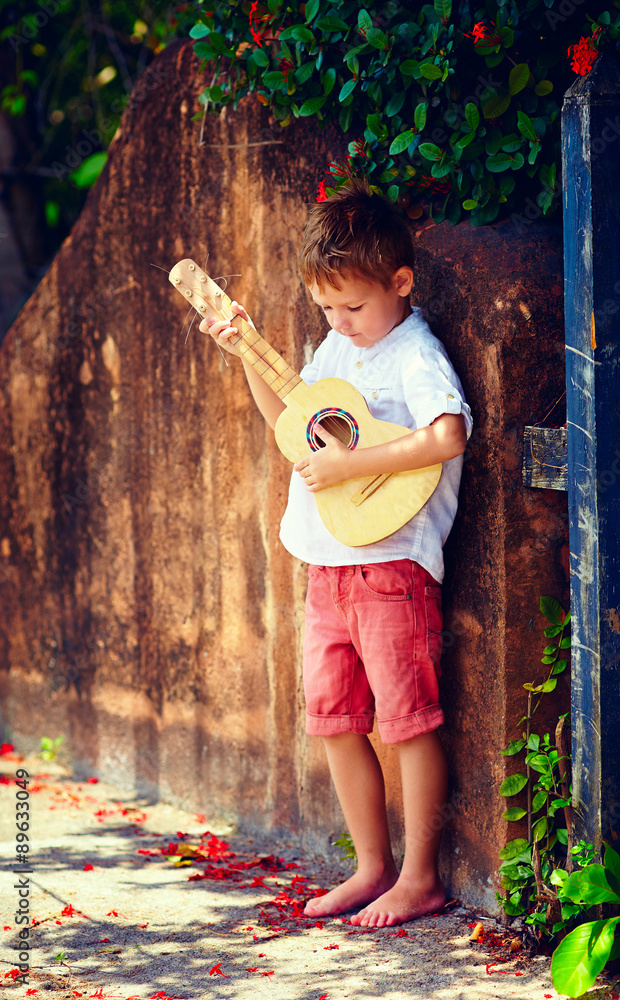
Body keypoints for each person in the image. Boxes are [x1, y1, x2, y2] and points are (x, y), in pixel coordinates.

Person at [200, 179, 472, 927]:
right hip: (329, 564)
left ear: (400, 284)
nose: (340, 323)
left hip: (393, 566)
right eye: (326, 309)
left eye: (353, 307)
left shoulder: (414, 353)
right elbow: (293, 423)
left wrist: (352, 465)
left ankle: (420, 876)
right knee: (336, 720)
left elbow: (448, 434)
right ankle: (370, 865)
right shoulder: (332, 348)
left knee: (406, 722)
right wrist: (251, 356)